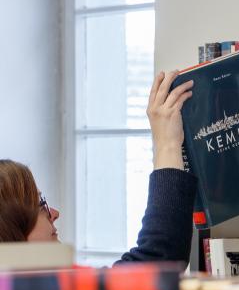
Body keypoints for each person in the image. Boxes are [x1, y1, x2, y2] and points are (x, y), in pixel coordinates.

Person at [0, 71, 197, 266]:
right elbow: (160, 258)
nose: (54, 213)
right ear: (11, 228)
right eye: (41, 204)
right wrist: (167, 143)